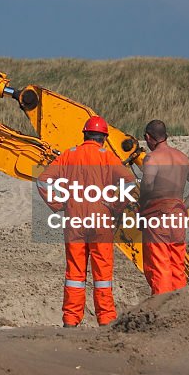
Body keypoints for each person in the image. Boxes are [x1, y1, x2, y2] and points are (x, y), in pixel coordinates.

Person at [37, 116, 135, 327]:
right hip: (101, 220)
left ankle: (71, 320)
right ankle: (106, 319)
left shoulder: (69, 155)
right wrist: (115, 206)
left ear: (84, 135)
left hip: (74, 221)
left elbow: (42, 181)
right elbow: (129, 182)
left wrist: (59, 203)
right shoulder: (107, 157)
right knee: (103, 273)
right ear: (104, 138)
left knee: (74, 272)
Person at [139, 119, 189, 295]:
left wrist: (141, 207)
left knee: (159, 265)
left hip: (157, 217)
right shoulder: (181, 157)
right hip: (177, 217)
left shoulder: (152, 158)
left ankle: (161, 307)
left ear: (148, 137)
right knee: (177, 263)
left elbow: (147, 184)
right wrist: (184, 206)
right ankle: (178, 307)